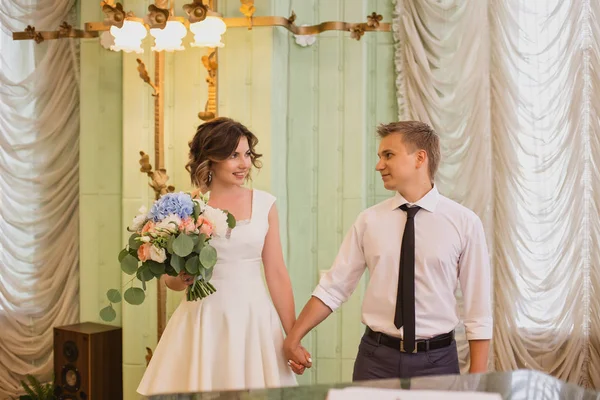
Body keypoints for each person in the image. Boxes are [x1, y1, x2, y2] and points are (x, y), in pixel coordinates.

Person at [285, 121, 492, 380]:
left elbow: (478, 310)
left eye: (388, 155)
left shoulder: (465, 223)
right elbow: (333, 287)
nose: (379, 165)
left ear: (419, 158)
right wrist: (293, 338)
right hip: (375, 360)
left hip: (438, 362)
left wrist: (478, 379)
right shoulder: (368, 221)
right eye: (379, 156)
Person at [138, 117, 306, 395]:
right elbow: (171, 282)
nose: (244, 164)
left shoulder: (265, 204)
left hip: (253, 318)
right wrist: (183, 276)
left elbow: (277, 273)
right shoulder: (186, 206)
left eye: (247, 154)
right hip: (205, 317)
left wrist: (293, 336)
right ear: (211, 159)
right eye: (233, 155)